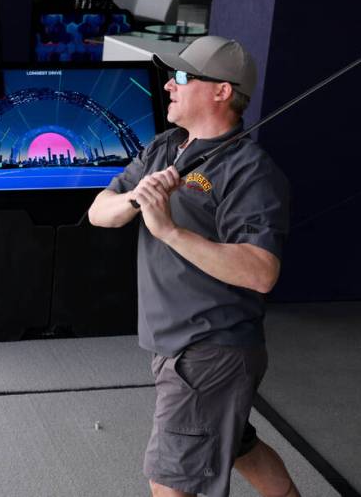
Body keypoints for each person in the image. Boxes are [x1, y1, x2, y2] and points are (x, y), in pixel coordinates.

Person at [88, 36, 300, 497]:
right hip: (173, 343)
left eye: (183, 77)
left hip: (209, 350)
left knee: (170, 483)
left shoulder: (251, 171)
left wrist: (168, 229)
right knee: (240, 448)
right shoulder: (166, 147)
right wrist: (135, 198)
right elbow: (98, 211)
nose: (169, 86)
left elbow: (261, 271)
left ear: (222, 91)